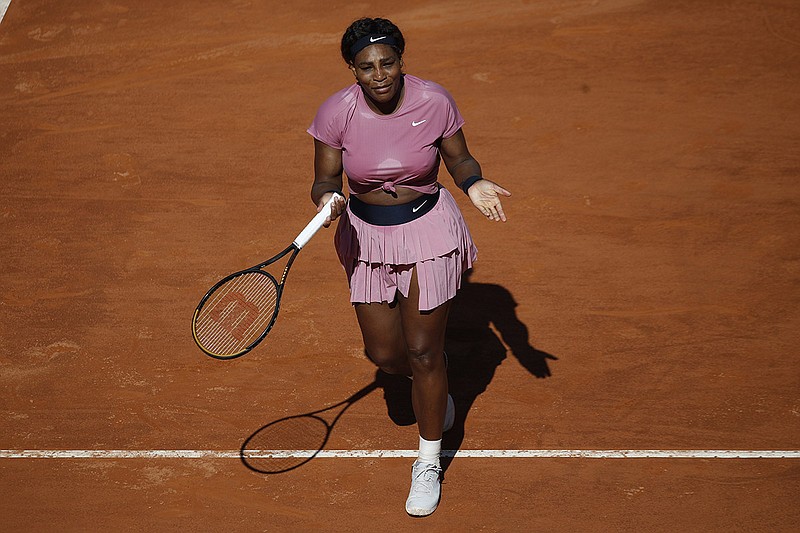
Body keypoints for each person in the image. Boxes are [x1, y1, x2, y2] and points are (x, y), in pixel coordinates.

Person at [307, 17, 510, 517]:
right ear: (352, 70)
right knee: (386, 354)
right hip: (365, 234)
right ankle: (433, 387)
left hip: (428, 230)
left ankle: (428, 458)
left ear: (401, 61)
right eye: (366, 66)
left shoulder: (433, 100)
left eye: (388, 63)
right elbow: (325, 177)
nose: (379, 74)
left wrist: (474, 183)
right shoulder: (336, 112)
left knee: (422, 353)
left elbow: (459, 159)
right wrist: (328, 199)